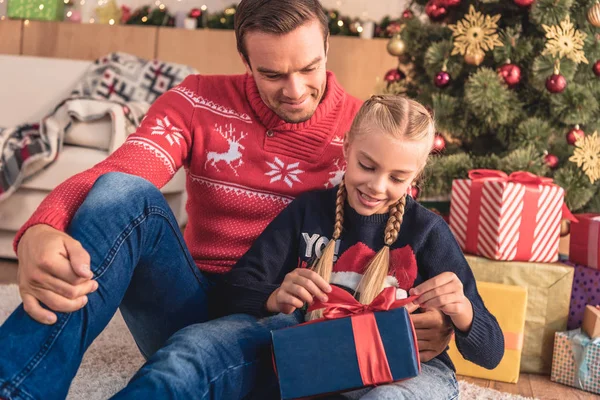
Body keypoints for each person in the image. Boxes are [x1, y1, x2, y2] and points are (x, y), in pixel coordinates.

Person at [0, 1, 453, 399]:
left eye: (309, 68)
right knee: (122, 193)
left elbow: (398, 238)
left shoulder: (368, 134)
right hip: (189, 300)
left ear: (327, 48)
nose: (294, 91)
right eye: (272, 73)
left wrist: (434, 319)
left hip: (296, 320)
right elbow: (120, 174)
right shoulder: (195, 100)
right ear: (245, 59)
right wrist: (41, 227)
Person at [109, 94, 504, 399]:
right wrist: (274, 296)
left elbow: (492, 352)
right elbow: (231, 295)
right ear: (347, 148)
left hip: (404, 369)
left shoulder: (428, 231)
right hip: (305, 353)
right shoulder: (307, 212)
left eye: (398, 177)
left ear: (416, 174)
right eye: (367, 166)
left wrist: (464, 314)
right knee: (195, 347)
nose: (377, 187)